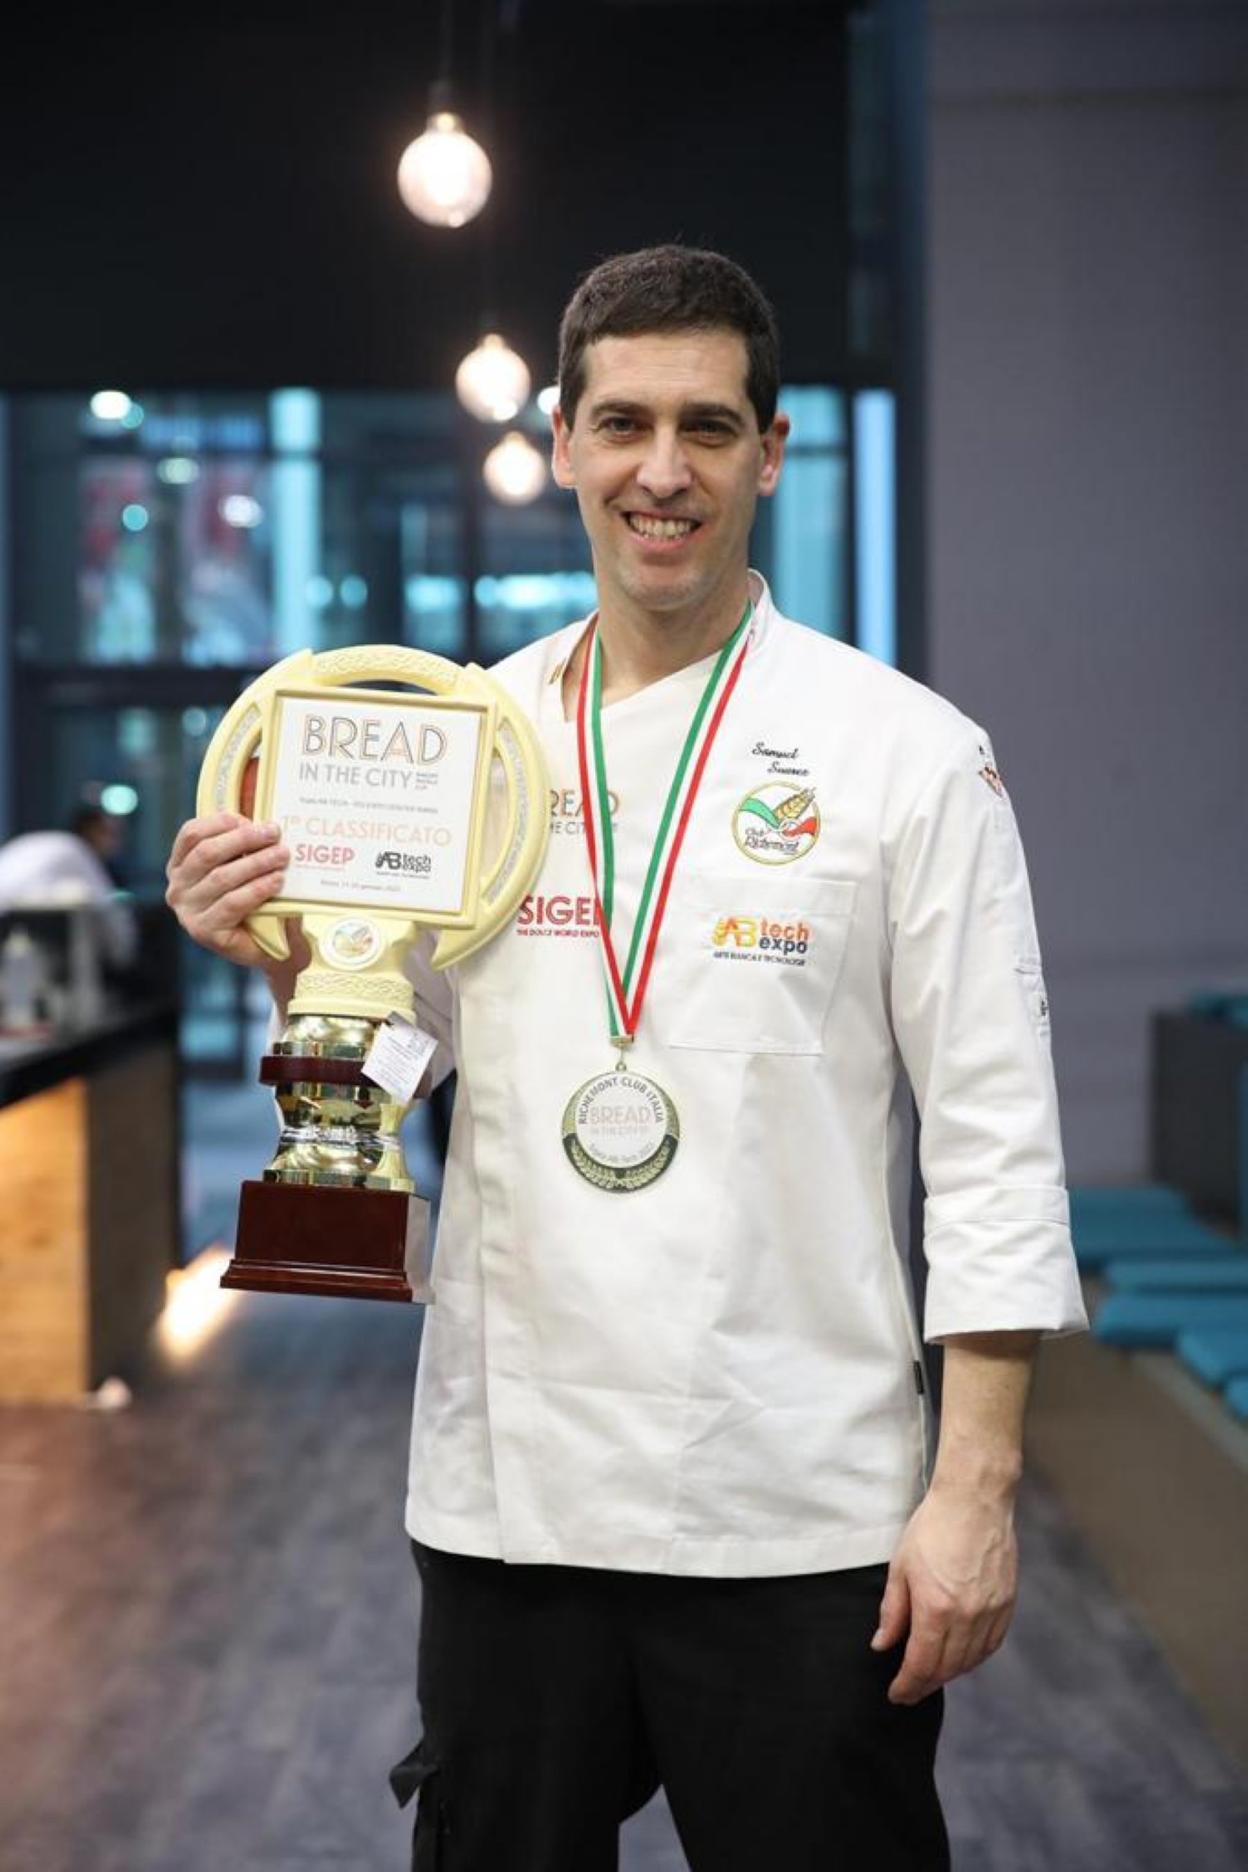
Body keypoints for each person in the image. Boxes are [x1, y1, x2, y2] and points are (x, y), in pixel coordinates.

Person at [166, 245, 1088, 1871]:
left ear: (770, 449)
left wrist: (976, 1486)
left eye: (706, 426)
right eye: (623, 424)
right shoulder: (468, 742)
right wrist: (286, 961)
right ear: (568, 439)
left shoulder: (905, 755)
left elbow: (994, 1143)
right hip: (511, 1496)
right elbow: (382, 1061)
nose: (661, 471)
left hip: (805, 1506)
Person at [0, 804, 136, 968]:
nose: (116, 844)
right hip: (14, 924)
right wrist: (125, 955)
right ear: (92, 831)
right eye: (111, 835)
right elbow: (108, 912)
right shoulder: (77, 851)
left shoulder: (45, 843)